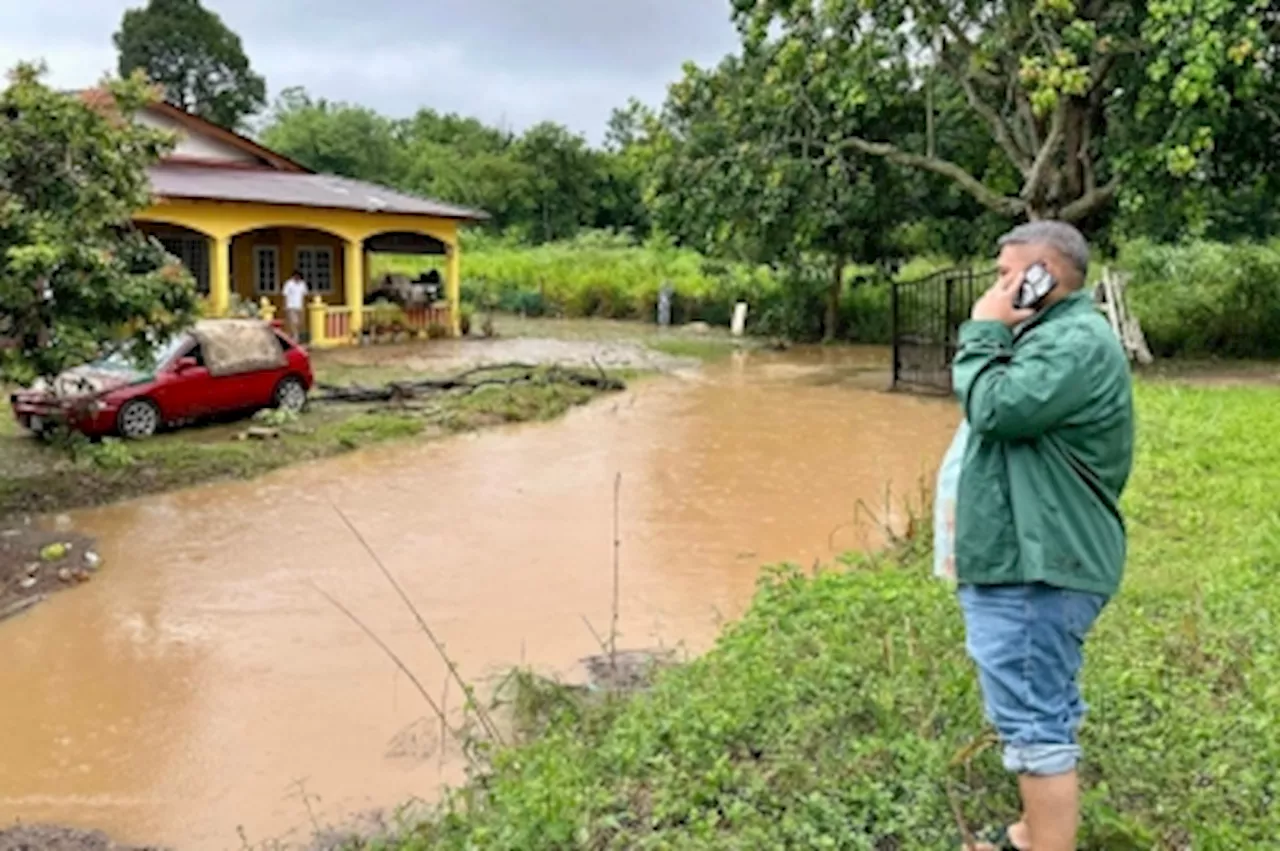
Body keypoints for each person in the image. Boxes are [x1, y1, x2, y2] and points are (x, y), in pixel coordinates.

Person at [950, 221, 1135, 851]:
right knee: (1040, 701)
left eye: (1007, 275)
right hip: (1032, 560)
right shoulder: (1053, 337)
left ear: (1042, 278)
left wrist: (983, 329)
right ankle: (1031, 834)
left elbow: (997, 409)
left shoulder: (1072, 344)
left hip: (1039, 569)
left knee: (1034, 726)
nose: (997, 287)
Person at [282, 270, 309, 340]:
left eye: (299, 276)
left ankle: (296, 335)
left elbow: (304, 295)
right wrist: (285, 305)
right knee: (293, 322)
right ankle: (295, 336)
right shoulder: (289, 284)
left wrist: (304, 306)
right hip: (290, 306)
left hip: (299, 306)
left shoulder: (302, 284)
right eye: (296, 276)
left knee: (299, 322)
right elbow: (285, 295)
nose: (297, 278)